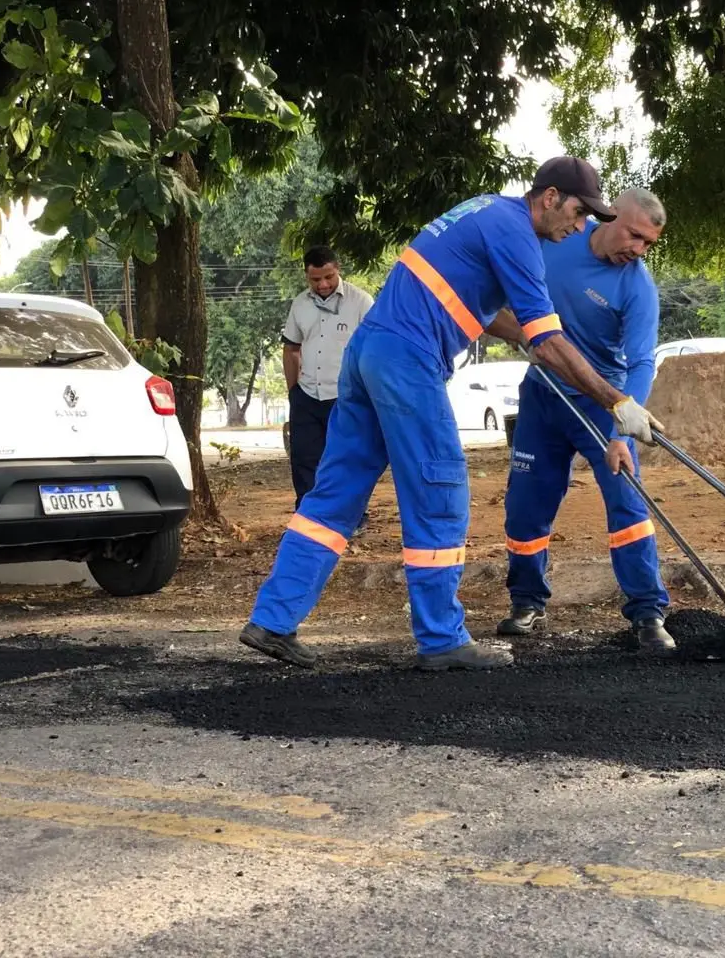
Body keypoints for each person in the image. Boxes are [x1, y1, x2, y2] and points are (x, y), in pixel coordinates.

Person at [238, 156, 663, 672]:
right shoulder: (517, 235)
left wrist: (538, 341)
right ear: (549, 197)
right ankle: (441, 640)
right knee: (440, 492)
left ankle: (273, 620)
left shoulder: (484, 210)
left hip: (369, 352)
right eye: (577, 213)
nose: (580, 226)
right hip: (407, 361)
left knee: (334, 494)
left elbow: (493, 317)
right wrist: (617, 401)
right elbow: (547, 341)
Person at [498, 188, 673, 655]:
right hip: (543, 395)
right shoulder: (557, 239)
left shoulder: (637, 287)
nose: (637, 249)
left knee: (628, 506)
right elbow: (494, 305)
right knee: (525, 504)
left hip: (602, 404)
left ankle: (647, 611)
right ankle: (527, 601)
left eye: (648, 244)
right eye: (634, 235)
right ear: (610, 216)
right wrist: (518, 332)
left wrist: (621, 429)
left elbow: (639, 364)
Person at [282, 246, 374, 510]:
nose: (323, 284)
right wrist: (294, 393)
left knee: (348, 457)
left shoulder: (361, 302)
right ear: (306, 276)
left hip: (347, 396)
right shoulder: (299, 304)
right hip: (307, 395)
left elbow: (374, 350)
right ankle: (308, 514)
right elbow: (291, 349)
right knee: (304, 458)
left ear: (338, 270)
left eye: (329, 277)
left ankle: (352, 514)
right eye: (315, 279)